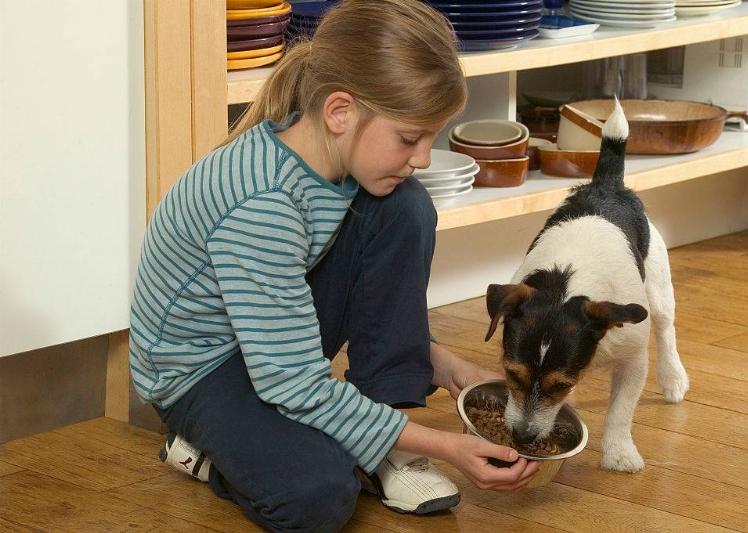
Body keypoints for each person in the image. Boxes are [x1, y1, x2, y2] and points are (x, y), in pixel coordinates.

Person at [129, 1, 540, 531]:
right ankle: (207, 455)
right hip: (200, 370)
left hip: (269, 340)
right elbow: (295, 383)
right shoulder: (264, 207)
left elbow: (337, 311)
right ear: (340, 111)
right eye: (409, 138)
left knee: (404, 206)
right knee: (319, 494)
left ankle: (383, 441)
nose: (423, 157)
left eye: (430, 138)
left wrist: (444, 365)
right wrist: (446, 447)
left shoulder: (334, 162)